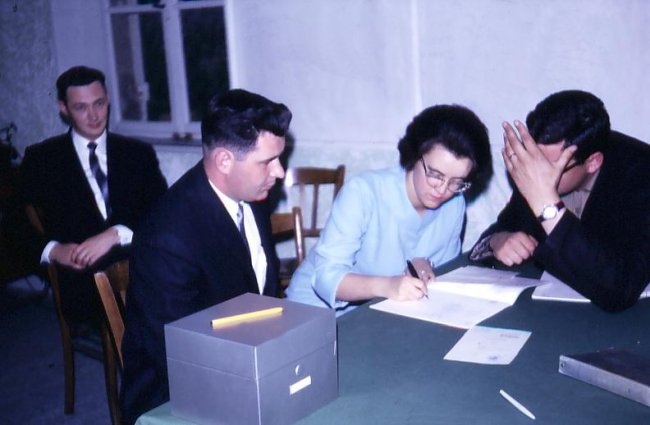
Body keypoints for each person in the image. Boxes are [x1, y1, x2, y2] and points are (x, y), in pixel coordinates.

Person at [120, 89, 290, 424]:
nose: (280, 172)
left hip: (245, 365)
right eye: (267, 161)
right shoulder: (166, 237)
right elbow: (177, 356)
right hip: (173, 397)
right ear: (224, 161)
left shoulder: (250, 195)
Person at [286, 105, 493, 316]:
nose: (442, 189)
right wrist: (388, 286)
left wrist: (426, 266)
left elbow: (445, 275)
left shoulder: (454, 204)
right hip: (313, 312)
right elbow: (326, 279)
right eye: (435, 174)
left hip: (377, 312)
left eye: (457, 182)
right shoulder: (363, 193)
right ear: (414, 154)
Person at [470, 90, 650, 312]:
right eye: (534, 159)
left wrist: (547, 207)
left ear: (592, 162)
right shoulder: (535, 168)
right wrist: (497, 241)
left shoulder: (642, 178)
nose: (536, 174)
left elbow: (619, 289)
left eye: (548, 167)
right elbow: (499, 230)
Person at [19, 65, 167, 327]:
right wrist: (54, 250)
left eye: (99, 103)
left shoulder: (137, 153)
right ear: (63, 109)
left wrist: (115, 234)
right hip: (86, 278)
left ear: (108, 100)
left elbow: (163, 210)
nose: (94, 115)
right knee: (158, 306)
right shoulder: (43, 159)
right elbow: (14, 223)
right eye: (81, 107)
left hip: (142, 261)